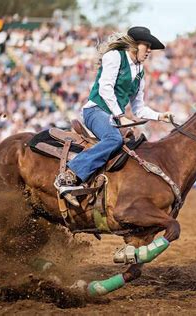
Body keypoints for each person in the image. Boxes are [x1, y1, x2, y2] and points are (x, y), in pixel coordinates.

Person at [54, 26, 173, 206]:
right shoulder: (115, 56)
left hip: (112, 116)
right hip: (95, 111)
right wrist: (120, 115)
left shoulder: (140, 72)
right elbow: (105, 88)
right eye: (146, 46)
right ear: (134, 45)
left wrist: (159, 116)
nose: (149, 50)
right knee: (113, 139)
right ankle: (69, 175)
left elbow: (139, 107)